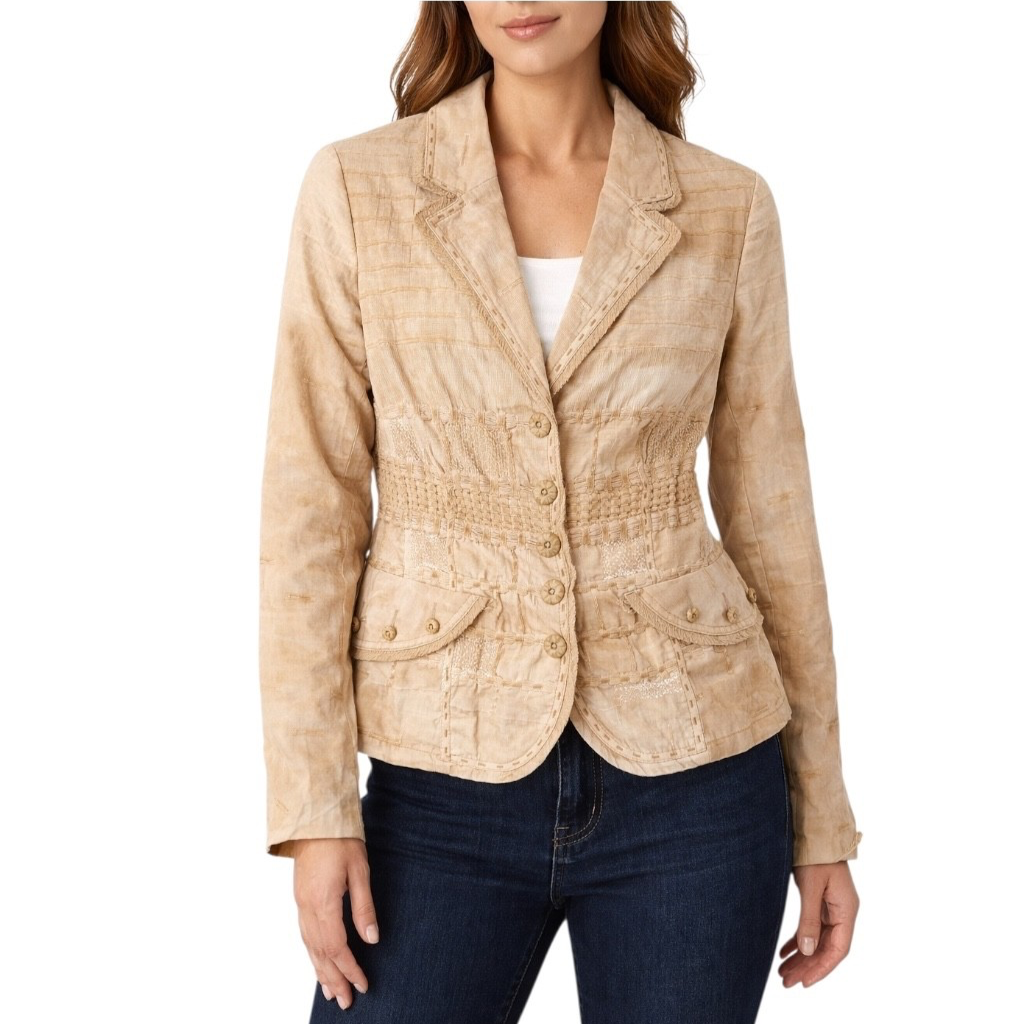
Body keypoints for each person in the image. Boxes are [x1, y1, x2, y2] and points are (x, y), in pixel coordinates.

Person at [258, 3, 862, 1021]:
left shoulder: (725, 207)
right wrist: (314, 809)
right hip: (438, 772)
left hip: (698, 777)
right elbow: (308, 508)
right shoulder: (360, 189)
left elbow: (773, 523)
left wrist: (822, 815)